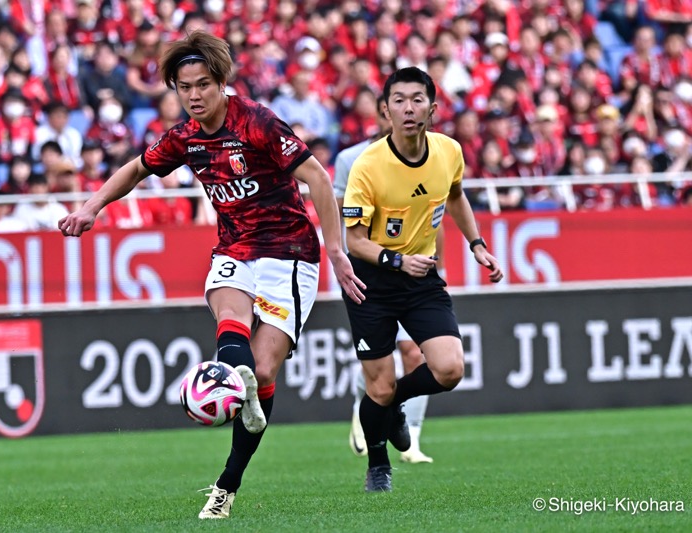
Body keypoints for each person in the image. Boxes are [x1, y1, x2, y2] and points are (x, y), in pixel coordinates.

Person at [58, 30, 365, 519]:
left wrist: (337, 250)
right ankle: (234, 371)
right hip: (235, 250)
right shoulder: (185, 138)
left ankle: (228, 482)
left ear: (222, 82)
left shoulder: (258, 122)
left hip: (289, 253)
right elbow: (136, 169)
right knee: (229, 308)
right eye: (185, 87)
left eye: (203, 84)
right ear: (175, 90)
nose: (194, 95)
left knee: (264, 372)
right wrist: (92, 207)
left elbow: (319, 179)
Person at [341, 67, 503, 493]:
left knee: (449, 368)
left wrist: (477, 244)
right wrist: (396, 262)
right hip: (372, 282)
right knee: (379, 384)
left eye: (417, 100)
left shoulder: (449, 151)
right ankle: (378, 465)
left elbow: (455, 195)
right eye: (399, 100)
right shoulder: (368, 166)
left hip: (420, 280)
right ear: (385, 110)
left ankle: (394, 405)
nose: (408, 108)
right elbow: (353, 241)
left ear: (432, 108)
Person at [333, 94, 436, 465]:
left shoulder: (428, 156)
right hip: (369, 272)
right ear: (383, 112)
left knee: (416, 353)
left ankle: (411, 437)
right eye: (396, 106)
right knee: (381, 360)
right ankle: (370, 405)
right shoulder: (352, 159)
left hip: (412, 272)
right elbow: (344, 220)